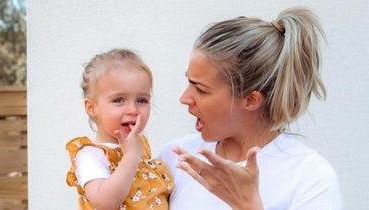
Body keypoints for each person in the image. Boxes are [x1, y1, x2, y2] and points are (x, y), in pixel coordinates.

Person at [158, 7, 343, 210]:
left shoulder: (310, 178)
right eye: (189, 82)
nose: (184, 98)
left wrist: (246, 204)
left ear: (251, 100)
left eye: (201, 90)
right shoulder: (175, 157)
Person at [66, 49, 174, 210]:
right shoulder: (91, 155)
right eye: (119, 100)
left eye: (142, 100)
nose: (133, 109)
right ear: (92, 108)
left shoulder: (140, 148)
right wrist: (131, 156)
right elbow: (105, 203)